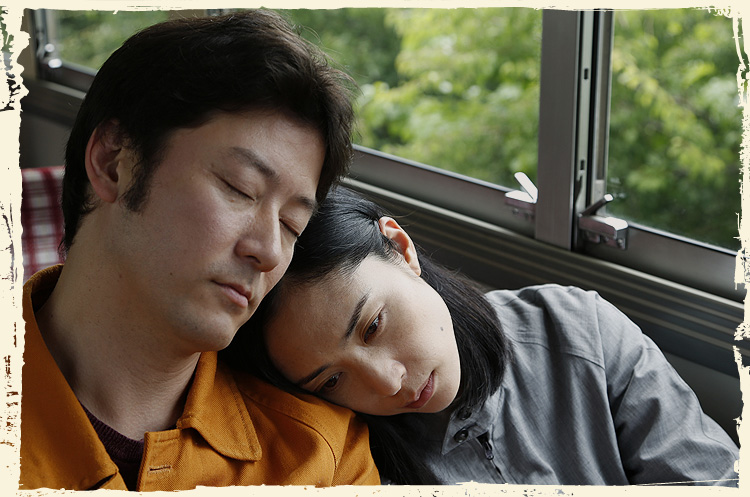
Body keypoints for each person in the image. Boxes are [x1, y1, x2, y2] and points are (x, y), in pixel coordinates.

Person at [20, 11, 380, 490]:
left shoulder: (320, 457)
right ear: (112, 163)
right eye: (240, 188)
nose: (269, 252)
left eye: (292, 225)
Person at [224, 186, 741, 486]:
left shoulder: (577, 329)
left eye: (373, 326)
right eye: (333, 381)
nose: (387, 383)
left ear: (401, 248)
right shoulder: (352, 461)